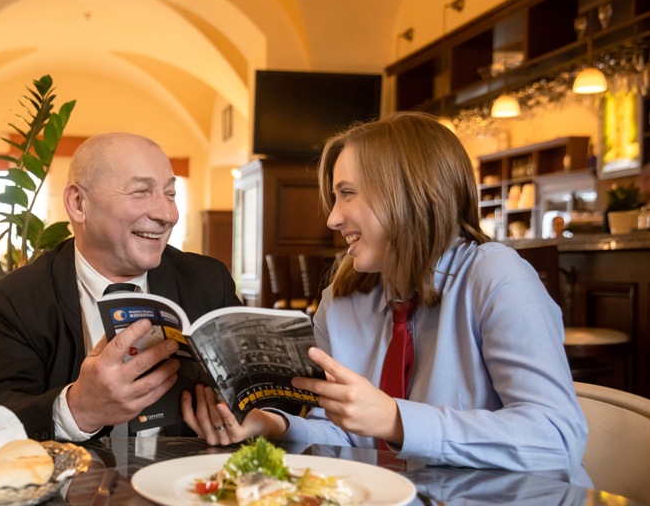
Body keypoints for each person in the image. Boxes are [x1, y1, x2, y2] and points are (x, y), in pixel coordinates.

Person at [184, 112, 590, 483]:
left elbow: (556, 438)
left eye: (347, 193)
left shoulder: (494, 276)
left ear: (408, 193)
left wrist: (396, 420)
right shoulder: (342, 301)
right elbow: (347, 434)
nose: (332, 218)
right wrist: (273, 425)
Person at [0, 132, 241, 442]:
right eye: (141, 191)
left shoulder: (208, 282)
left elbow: (263, 395)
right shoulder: (17, 300)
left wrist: (255, 419)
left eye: (170, 194)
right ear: (78, 203)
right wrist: (79, 409)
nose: (168, 214)